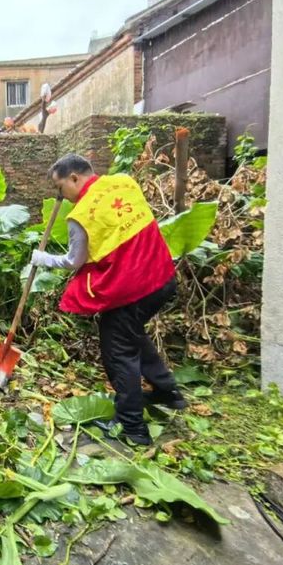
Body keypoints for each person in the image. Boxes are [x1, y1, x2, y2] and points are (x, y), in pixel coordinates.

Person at [31, 154, 186, 445]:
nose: (60, 196)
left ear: (74, 178)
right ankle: (167, 391)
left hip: (133, 290)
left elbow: (74, 261)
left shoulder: (80, 215)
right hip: (163, 278)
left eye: (60, 187)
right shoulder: (125, 182)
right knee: (130, 333)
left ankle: (132, 427)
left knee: (118, 350)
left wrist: (42, 258)